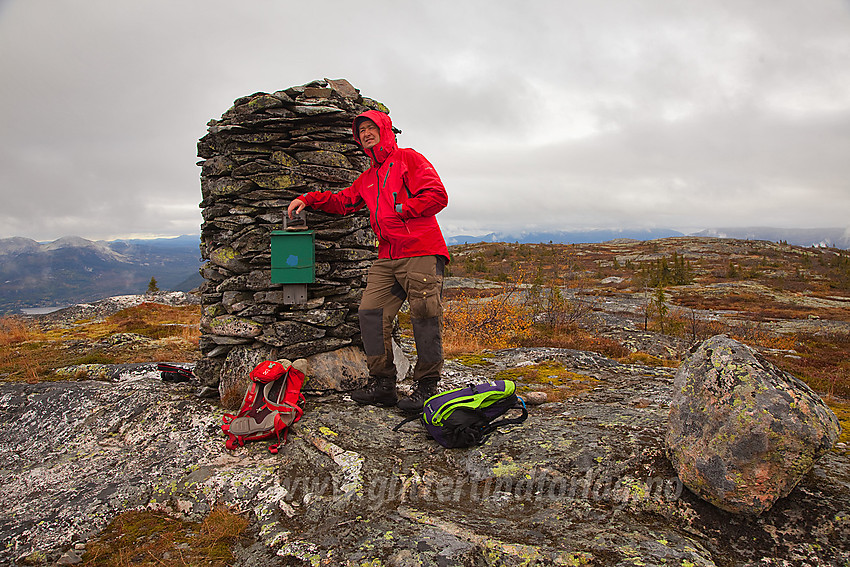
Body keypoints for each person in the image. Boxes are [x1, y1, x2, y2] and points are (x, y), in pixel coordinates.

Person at [287, 110, 449, 414]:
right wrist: (309, 198)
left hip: (421, 251)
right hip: (387, 257)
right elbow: (343, 202)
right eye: (360, 131)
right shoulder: (368, 178)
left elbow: (438, 196)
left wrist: (402, 207)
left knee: (424, 315)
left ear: (384, 129)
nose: (365, 133)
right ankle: (383, 384)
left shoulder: (409, 159)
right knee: (371, 315)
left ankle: (427, 387)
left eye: (370, 127)